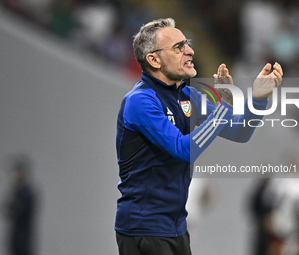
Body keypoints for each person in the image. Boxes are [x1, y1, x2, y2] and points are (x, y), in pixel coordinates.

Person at [115, 17, 283, 255]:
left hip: (176, 228)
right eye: (178, 47)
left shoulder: (187, 96)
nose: (190, 51)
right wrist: (224, 105)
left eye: (188, 43)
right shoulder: (140, 101)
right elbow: (186, 150)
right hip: (144, 229)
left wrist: (258, 99)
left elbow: (239, 132)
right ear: (153, 59)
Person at [4, 155, 37, 255]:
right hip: (16, 238)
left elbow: (15, 209)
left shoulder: (27, 193)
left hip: (23, 240)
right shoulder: (18, 192)